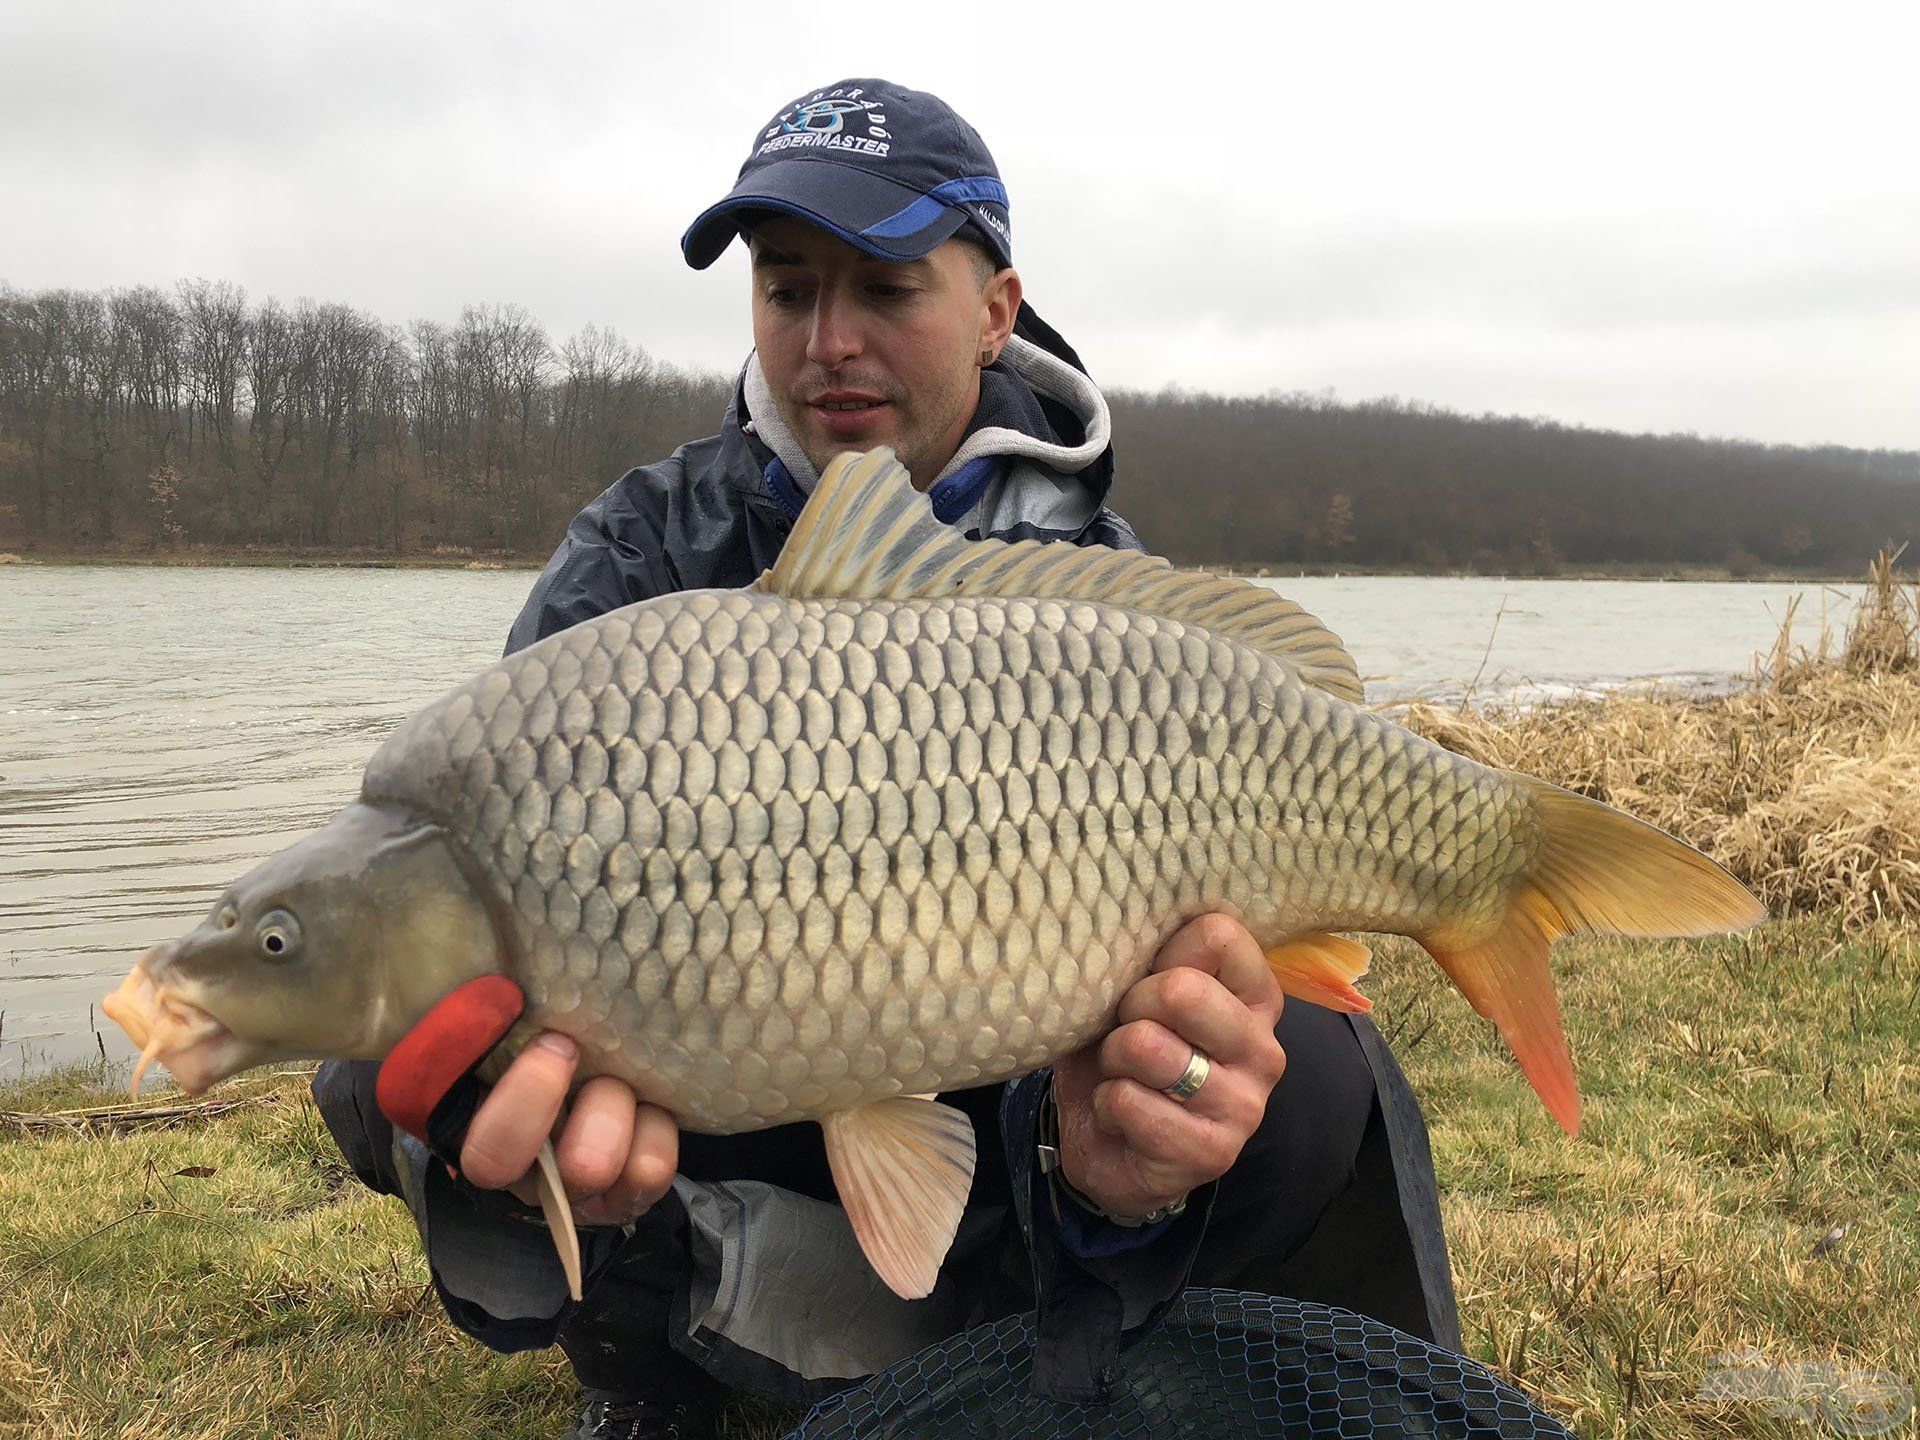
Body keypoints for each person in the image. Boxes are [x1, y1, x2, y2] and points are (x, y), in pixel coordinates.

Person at [314, 78, 1461, 1440]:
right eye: (788, 289)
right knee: (393, 1032)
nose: (829, 343)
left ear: (994, 308)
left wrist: (1112, 1154)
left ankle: (1042, 1331)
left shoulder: (1096, 593)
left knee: (1306, 1069)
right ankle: (662, 1364)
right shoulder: (637, 558)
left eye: (886, 290)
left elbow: (1189, 982)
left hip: (1009, 1110)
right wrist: (505, 1128)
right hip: (719, 1085)